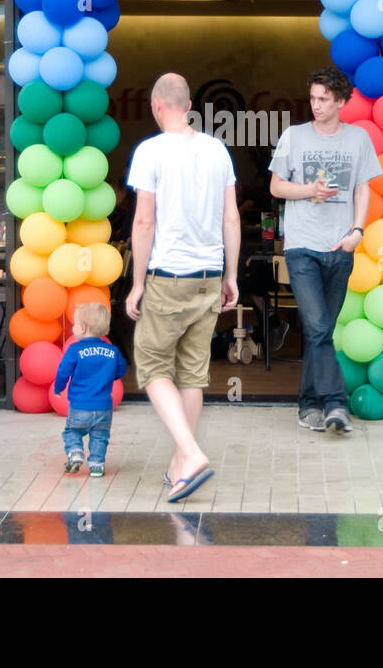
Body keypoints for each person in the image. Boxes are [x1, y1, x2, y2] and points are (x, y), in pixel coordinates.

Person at [125, 73, 239, 503]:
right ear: (188, 104)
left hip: (168, 278)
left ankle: (190, 454)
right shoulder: (217, 150)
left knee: (152, 367)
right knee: (191, 374)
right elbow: (231, 218)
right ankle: (179, 467)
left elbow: (143, 221)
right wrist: (230, 275)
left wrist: (137, 283)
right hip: (210, 277)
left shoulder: (150, 151)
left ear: (157, 105)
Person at [269, 66, 382, 435]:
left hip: (341, 246)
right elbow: (276, 187)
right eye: (313, 98)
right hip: (302, 246)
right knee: (317, 326)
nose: (315, 105)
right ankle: (336, 403)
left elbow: (363, 189)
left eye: (324, 99)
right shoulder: (294, 136)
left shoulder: (358, 139)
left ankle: (308, 405)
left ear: (341, 102)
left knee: (322, 332)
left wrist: (358, 231)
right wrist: (309, 191)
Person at [53, 302, 127, 478]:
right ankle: (96, 465)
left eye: (75, 324)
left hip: (80, 405)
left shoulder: (75, 349)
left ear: (83, 328)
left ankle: (76, 451)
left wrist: (58, 387)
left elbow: (64, 370)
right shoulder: (112, 350)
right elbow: (121, 370)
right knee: (100, 436)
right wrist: (106, 376)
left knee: (72, 431)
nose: (73, 327)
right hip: (103, 407)